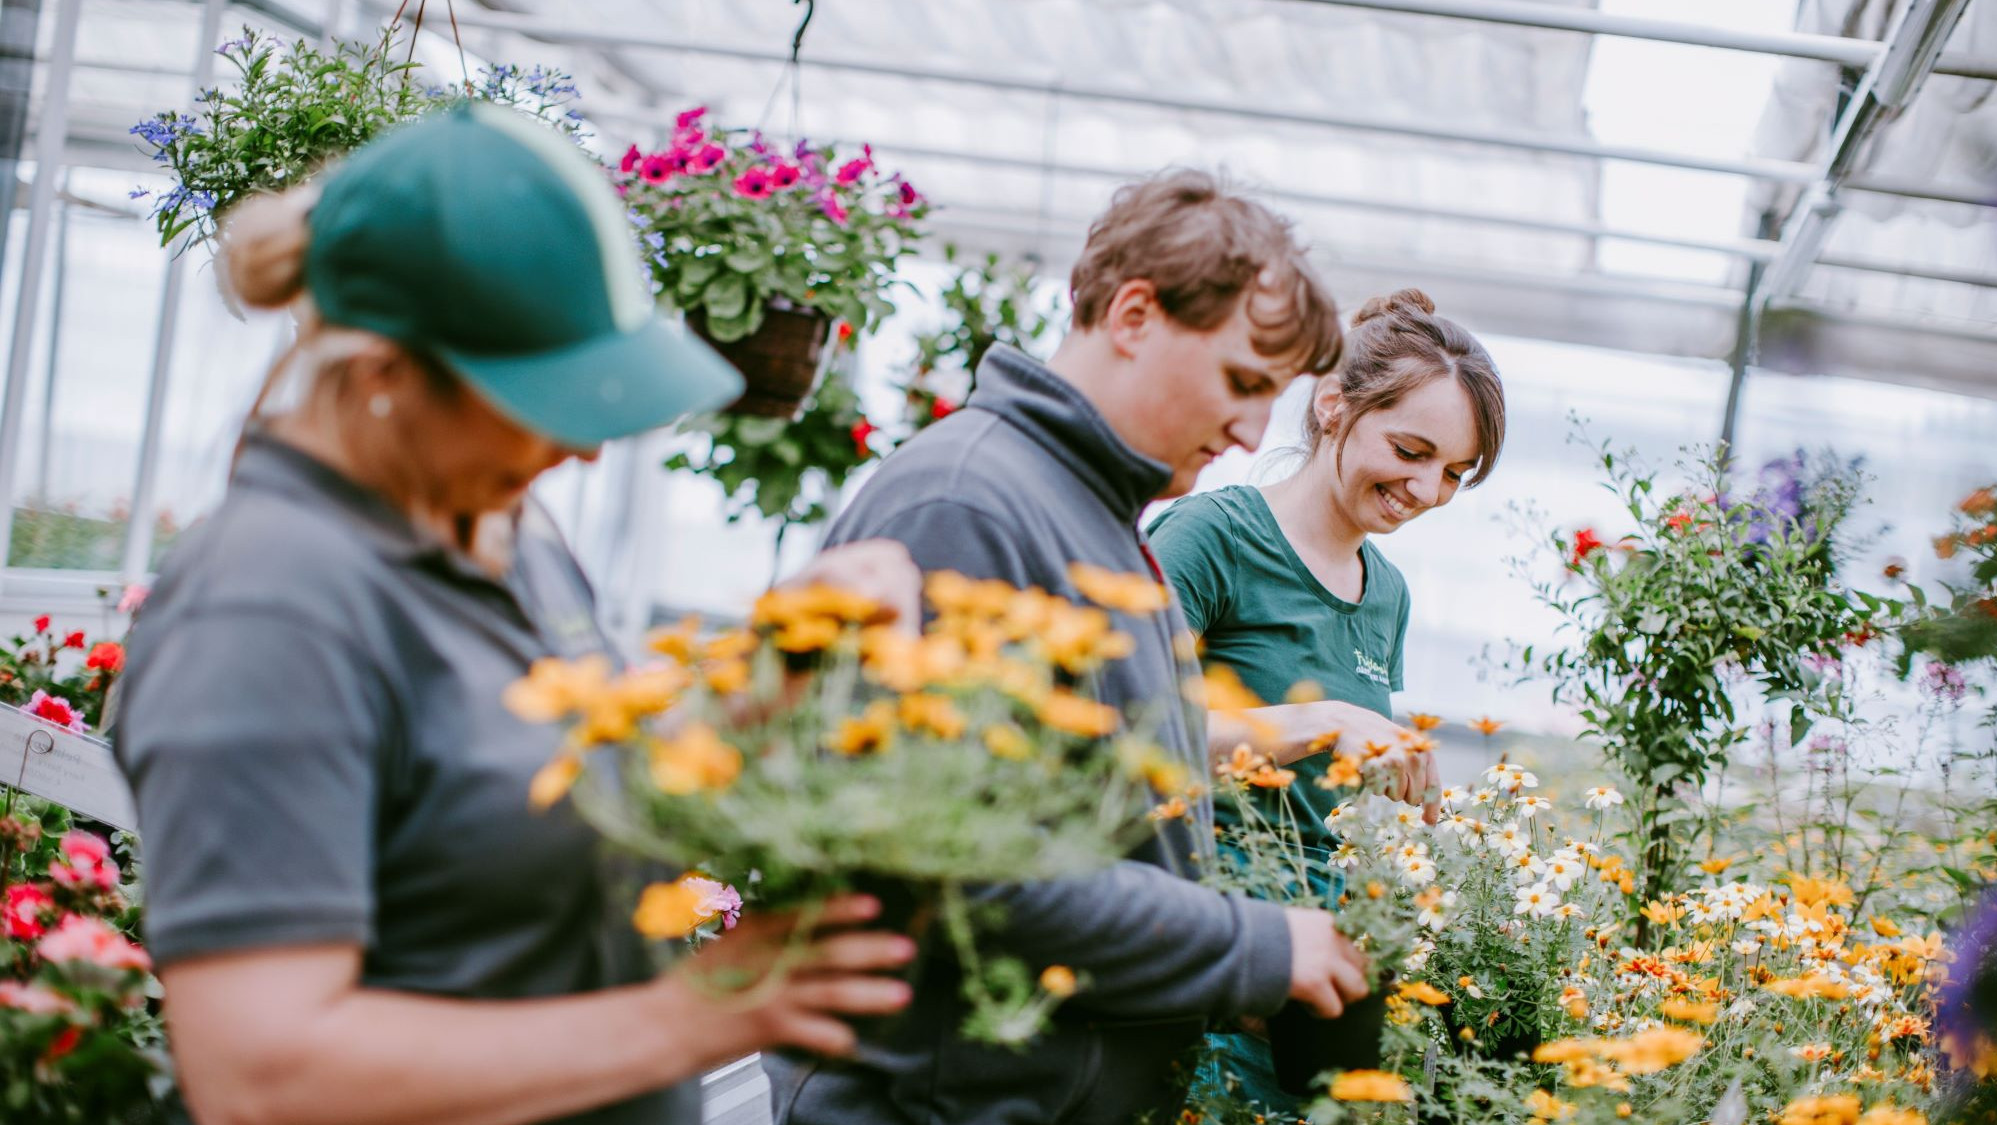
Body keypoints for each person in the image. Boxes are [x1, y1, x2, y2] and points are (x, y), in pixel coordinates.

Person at [113, 104, 923, 1125]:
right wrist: (691, 1018)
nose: (584, 449)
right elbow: (263, 1076)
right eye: (544, 398)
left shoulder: (499, 522)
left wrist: (777, 667)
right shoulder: (269, 607)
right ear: (384, 377)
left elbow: (581, 758)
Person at [763, 170, 1375, 1125]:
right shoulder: (967, 504)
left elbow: (1099, 815)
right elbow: (958, 866)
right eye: (1244, 382)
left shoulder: (1095, 515)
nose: (1255, 431)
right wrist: (1252, 947)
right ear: (1134, 315)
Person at [1148, 287, 1507, 1116]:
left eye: (1455, 473)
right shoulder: (1210, 539)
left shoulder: (1387, 593)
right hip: (1203, 967)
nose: (1427, 489)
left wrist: (1414, 815)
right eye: (1412, 450)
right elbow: (1128, 734)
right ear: (1334, 405)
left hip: (1318, 982)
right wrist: (1315, 722)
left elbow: (1329, 805)